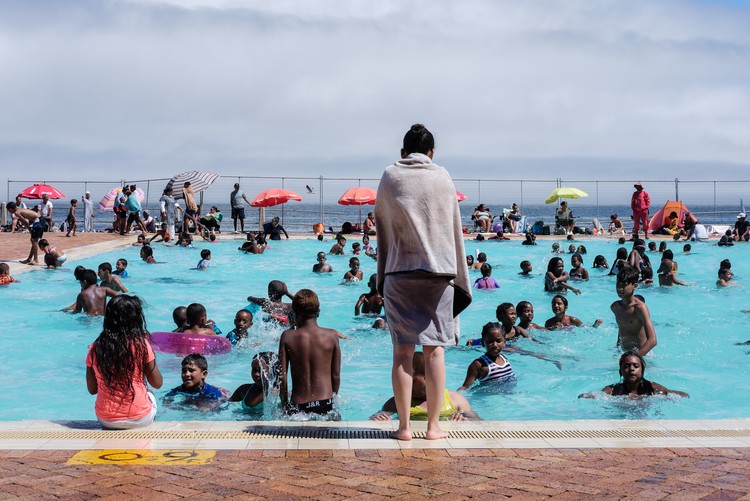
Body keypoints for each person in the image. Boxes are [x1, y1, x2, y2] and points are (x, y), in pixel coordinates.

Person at [375, 123, 471, 441]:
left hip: (399, 271)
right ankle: (433, 428)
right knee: (435, 352)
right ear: (431, 153)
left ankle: (403, 428)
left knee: (402, 353)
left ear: (403, 152)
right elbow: (451, 227)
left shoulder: (390, 175)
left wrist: (384, 272)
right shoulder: (441, 175)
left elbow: (383, 226)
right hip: (438, 272)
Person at [86, 295, 163, 428]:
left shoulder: (95, 347)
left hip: (106, 419)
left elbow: (92, 390)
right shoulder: (141, 345)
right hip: (140, 418)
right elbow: (157, 383)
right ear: (136, 319)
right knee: (150, 393)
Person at [278, 290, 341, 417]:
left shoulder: (287, 337)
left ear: (294, 313)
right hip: (326, 401)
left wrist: (284, 404)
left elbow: (282, 377)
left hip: (299, 404)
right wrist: (333, 399)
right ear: (318, 311)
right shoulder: (332, 336)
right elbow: (335, 375)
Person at [370, 351, 477, 421]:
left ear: (428, 378)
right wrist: (379, 419)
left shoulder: (455, 399)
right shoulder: (397, 402)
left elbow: (478, 421)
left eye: (412, 381)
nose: (406, 386)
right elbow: (373, 419)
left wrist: (464, 419)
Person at [579, 352, 688, 398]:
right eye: (626, 366)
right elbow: (592, 396)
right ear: (620, 372)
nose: (631, 369)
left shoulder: (652, 388)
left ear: (642, 370)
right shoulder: (613, 390)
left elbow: (681, 395)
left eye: (636, 366)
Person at [611, 267, 657, 356]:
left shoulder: (640, 308)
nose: (620, 289)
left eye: (624, 285)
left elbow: (653, 340)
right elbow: (622, 327)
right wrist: (617, 349)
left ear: (635, 286)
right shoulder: (615, 307)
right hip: (624, 353)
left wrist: (636, 357)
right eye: (618, 285)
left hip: (643, 354)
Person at [458, 323, 515, 390]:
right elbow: (465, 387)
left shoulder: (503, 357)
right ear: (483, 342)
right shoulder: (478, 365)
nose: (495, 345)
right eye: (490, 341)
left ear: (504, 342)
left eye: (498, 341)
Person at [163, 354, 229, 408]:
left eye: (191, 370)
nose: (187, 374)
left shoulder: (211, 392)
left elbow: (221, 401)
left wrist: (209, 407)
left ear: (204, 374)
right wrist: (167, 404)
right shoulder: (180, 389)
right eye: (184, 371)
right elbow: (167, 398)